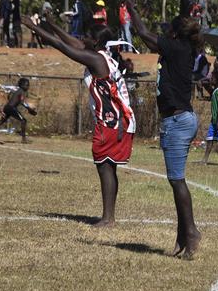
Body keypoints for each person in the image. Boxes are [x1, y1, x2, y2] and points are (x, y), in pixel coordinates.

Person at [22, 16, 135, 228]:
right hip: (120, 119)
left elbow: (62, 46)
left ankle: (108, 218)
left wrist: (34, 27)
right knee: (108, 166)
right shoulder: (102, 55)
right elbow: (73, 43)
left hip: (111, 121)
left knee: (104, 166)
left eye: (87, 36)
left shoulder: (96, 60)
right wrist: (52, 23)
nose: (83, 38)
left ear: (96, 42)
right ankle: (109, 216)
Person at [126, 0, 203, 259]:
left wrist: (131, 8)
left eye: (168, 28)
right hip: (181, 119)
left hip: (177, 122)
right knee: (175, 180)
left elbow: (144, 35)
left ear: (174, 33)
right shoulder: (181, 48)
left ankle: (191, 233)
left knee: (177, 180)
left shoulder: (177, 48)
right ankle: (182, 237)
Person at [0, 78, 37, 144]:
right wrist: (29, 109)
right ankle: (23, 139)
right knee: (23, 120)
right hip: (11, 108)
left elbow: (14, 99)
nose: (28, 86)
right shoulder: (22, 91)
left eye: (28, 85)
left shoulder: (20, 91)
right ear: (21, 85)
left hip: (7, 107)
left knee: (1, 122)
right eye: (26, 85)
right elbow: (22, 102)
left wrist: (29, 109)